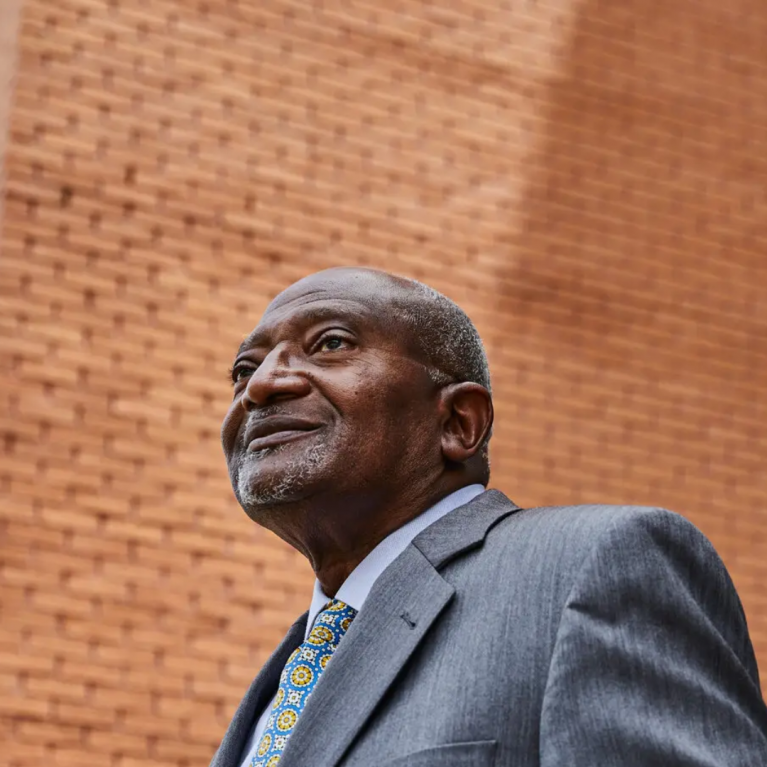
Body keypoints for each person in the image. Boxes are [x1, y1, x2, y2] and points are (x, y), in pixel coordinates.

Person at [210, 267, 767, 767]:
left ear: (458, 422)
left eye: (330, 344)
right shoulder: (292, 672)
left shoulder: (595, 567)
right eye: (244, 370)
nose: (261, 386)